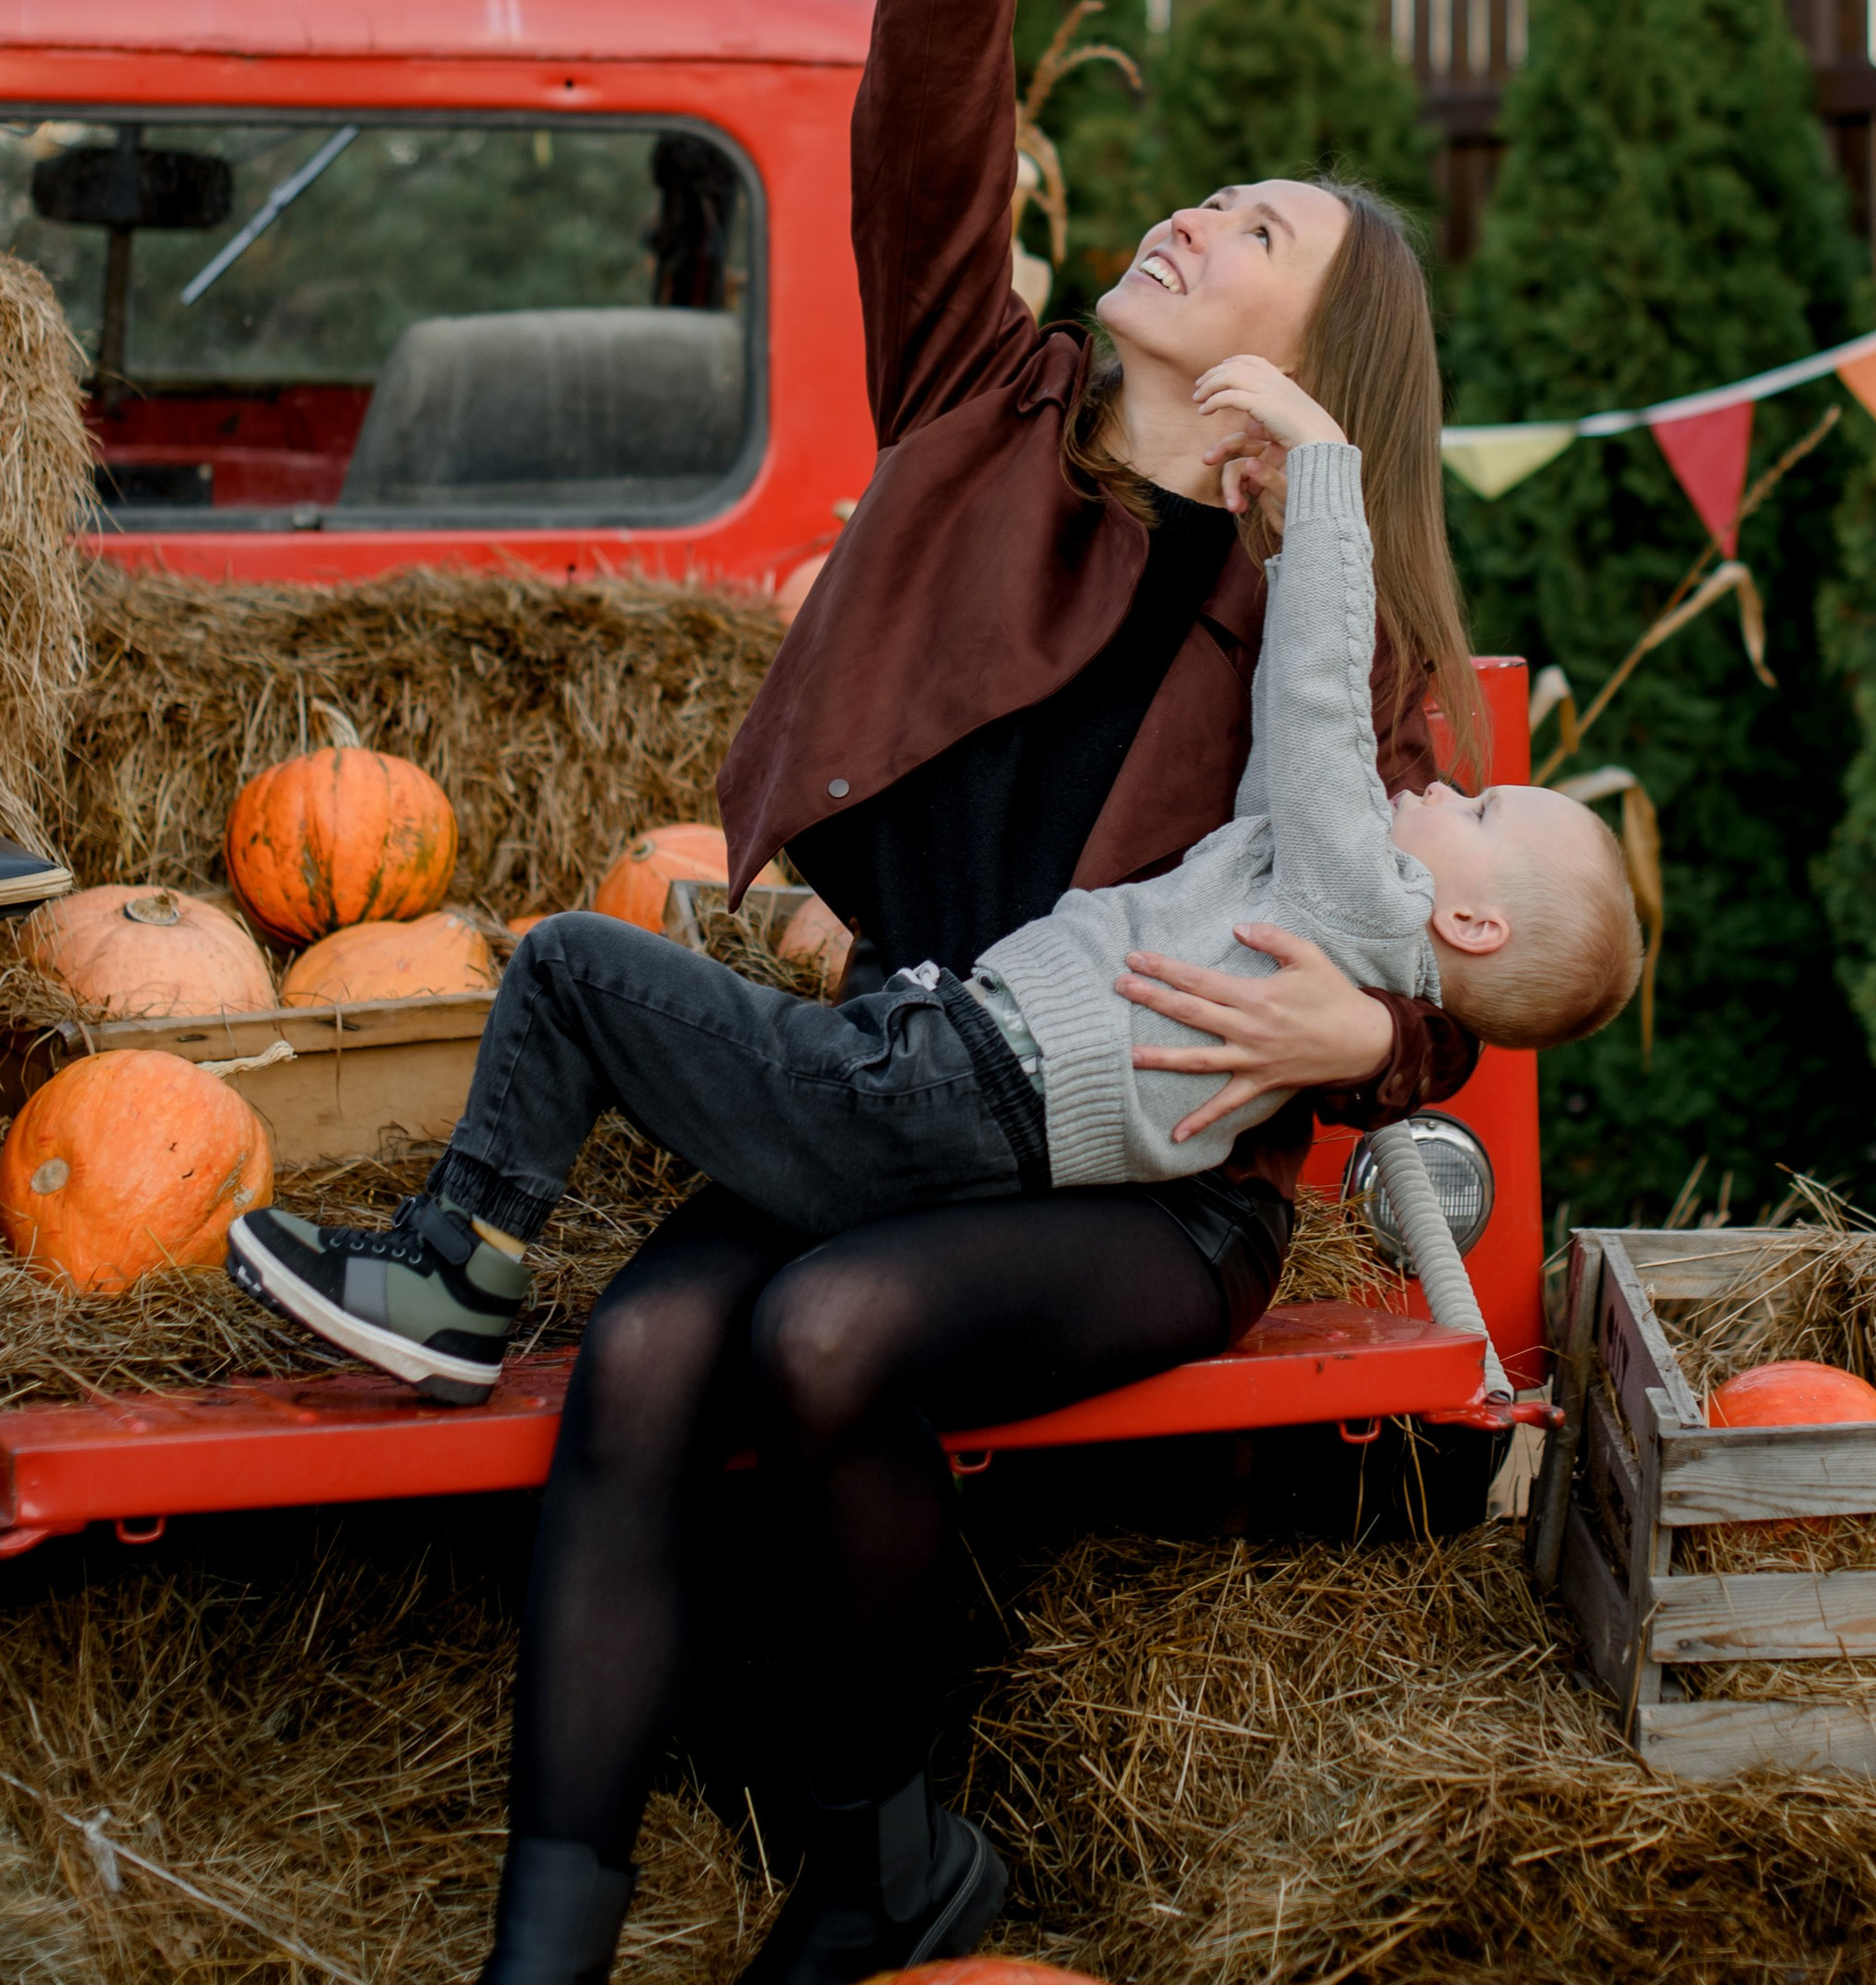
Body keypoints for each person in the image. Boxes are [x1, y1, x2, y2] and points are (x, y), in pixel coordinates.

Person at [259, 0, 1502, 1985]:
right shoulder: (980, 401)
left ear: (1325, 345)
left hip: (1130, 1172)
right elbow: (931, 119)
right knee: (658, 1357)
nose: (1189, 215)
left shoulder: (1331, 622)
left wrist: (1371, 1027)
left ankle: (890, 1852)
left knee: (818, 1343)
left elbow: (1455, 914)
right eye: (1203, 198)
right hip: (888, 1079)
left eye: (1257, 227)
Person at [231, 367, 1638, 1378]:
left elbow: (1326, 710)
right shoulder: (1310, 890)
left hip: (952, 1085)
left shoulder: (1360, 900)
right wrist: (1270, 524)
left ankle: (453, 1279)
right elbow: (1293, 724)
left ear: (1466, 913)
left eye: (1483, 803)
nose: (1448, 783)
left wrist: (1326, 460)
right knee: (652, 1025)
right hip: (966, 1098)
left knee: (564, 964)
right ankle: (465, 1272)